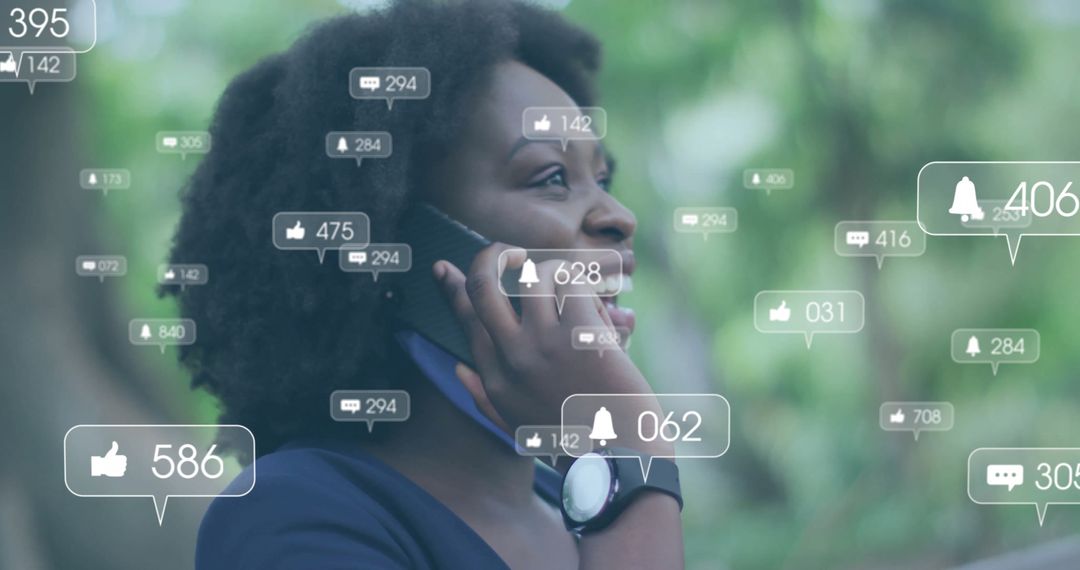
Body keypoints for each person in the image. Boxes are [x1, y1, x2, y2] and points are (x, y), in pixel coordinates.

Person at [165, 1, 684, 568]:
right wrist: (629, 460)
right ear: (396, 247)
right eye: (552, 177)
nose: (618, 215)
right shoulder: (289, 514)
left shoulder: (568, 505)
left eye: (601, 177)